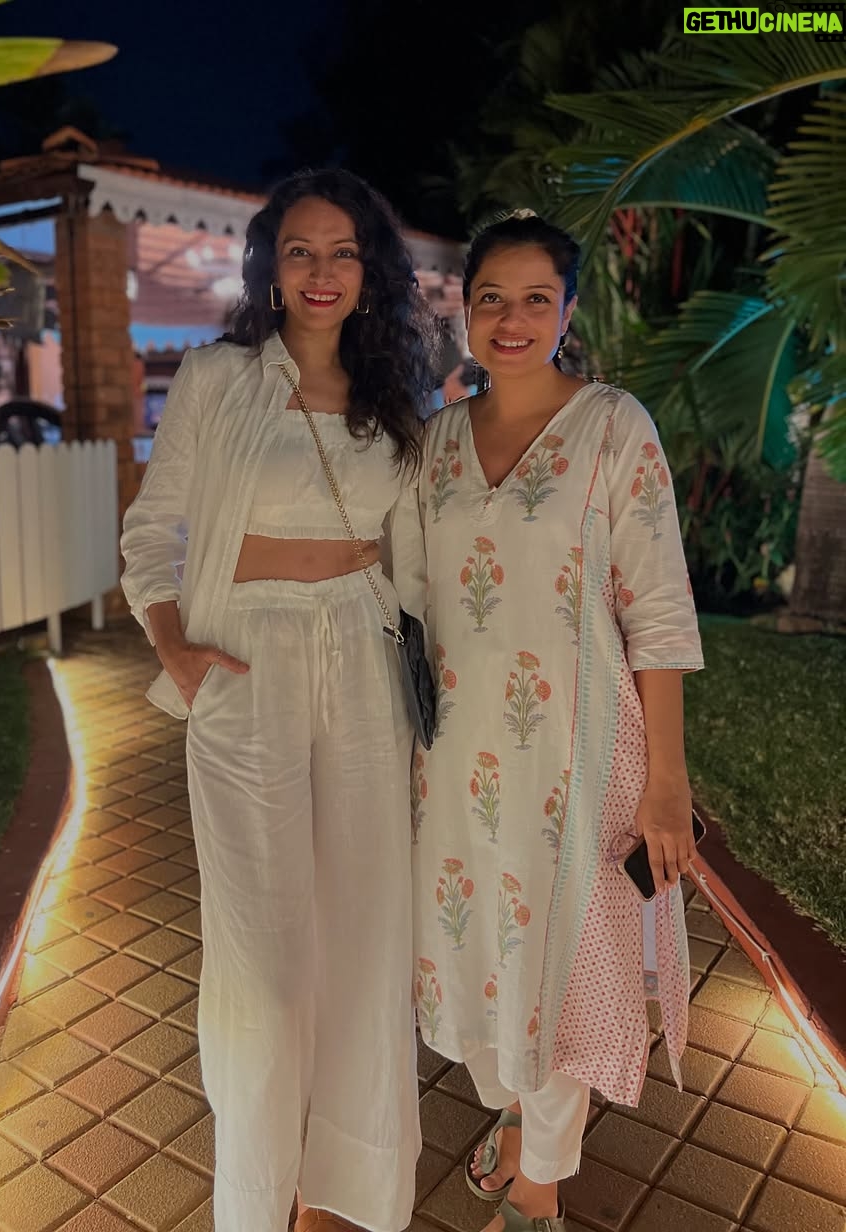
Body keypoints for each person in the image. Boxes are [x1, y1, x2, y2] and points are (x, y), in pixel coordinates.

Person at [120, 168, 438, 1232]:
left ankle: (343, 1186)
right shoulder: (219, 377)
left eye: (344, 251)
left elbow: (414, 548)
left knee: (364, 924)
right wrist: (175, 645)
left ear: (370, 271)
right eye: (300, 249)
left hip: (363, 649)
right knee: (262, 948)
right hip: (244, 654)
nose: (321, 270)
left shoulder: (398, 396)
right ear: (269, 266)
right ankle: (259, 1193)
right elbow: (152, 525)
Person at [391, 215, 703, 1232]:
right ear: (465, 311)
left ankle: (539, 1193)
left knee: (562, 970)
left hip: (578, 752)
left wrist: (667, 780)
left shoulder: (613, 427)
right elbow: (403, 598)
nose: (512, 319)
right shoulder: (433, 444)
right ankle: (518, 1116)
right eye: (492, 298)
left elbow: (658, 610)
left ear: (568, 312)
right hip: (455, 758)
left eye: (536, 299)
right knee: (478, 949)